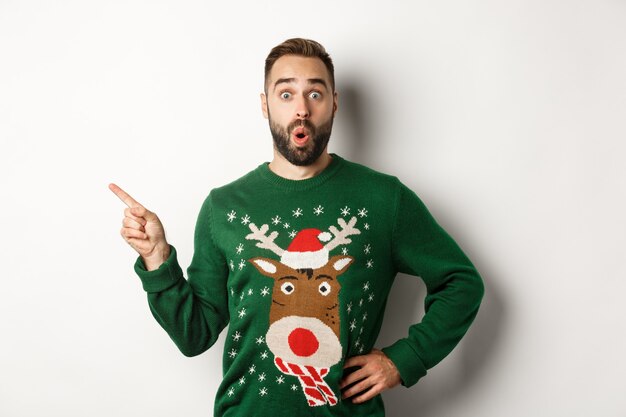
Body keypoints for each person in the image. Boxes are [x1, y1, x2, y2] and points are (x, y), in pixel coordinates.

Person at [110, 38, 484, 417]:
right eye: (286, 93)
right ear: (264, 104)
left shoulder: (384, 199)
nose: (301, 109)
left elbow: (461, 281)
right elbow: (194, 335)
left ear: (334, 103)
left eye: (315, 94)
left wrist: (404, 359)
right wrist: (158, 261)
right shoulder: (222, 207)